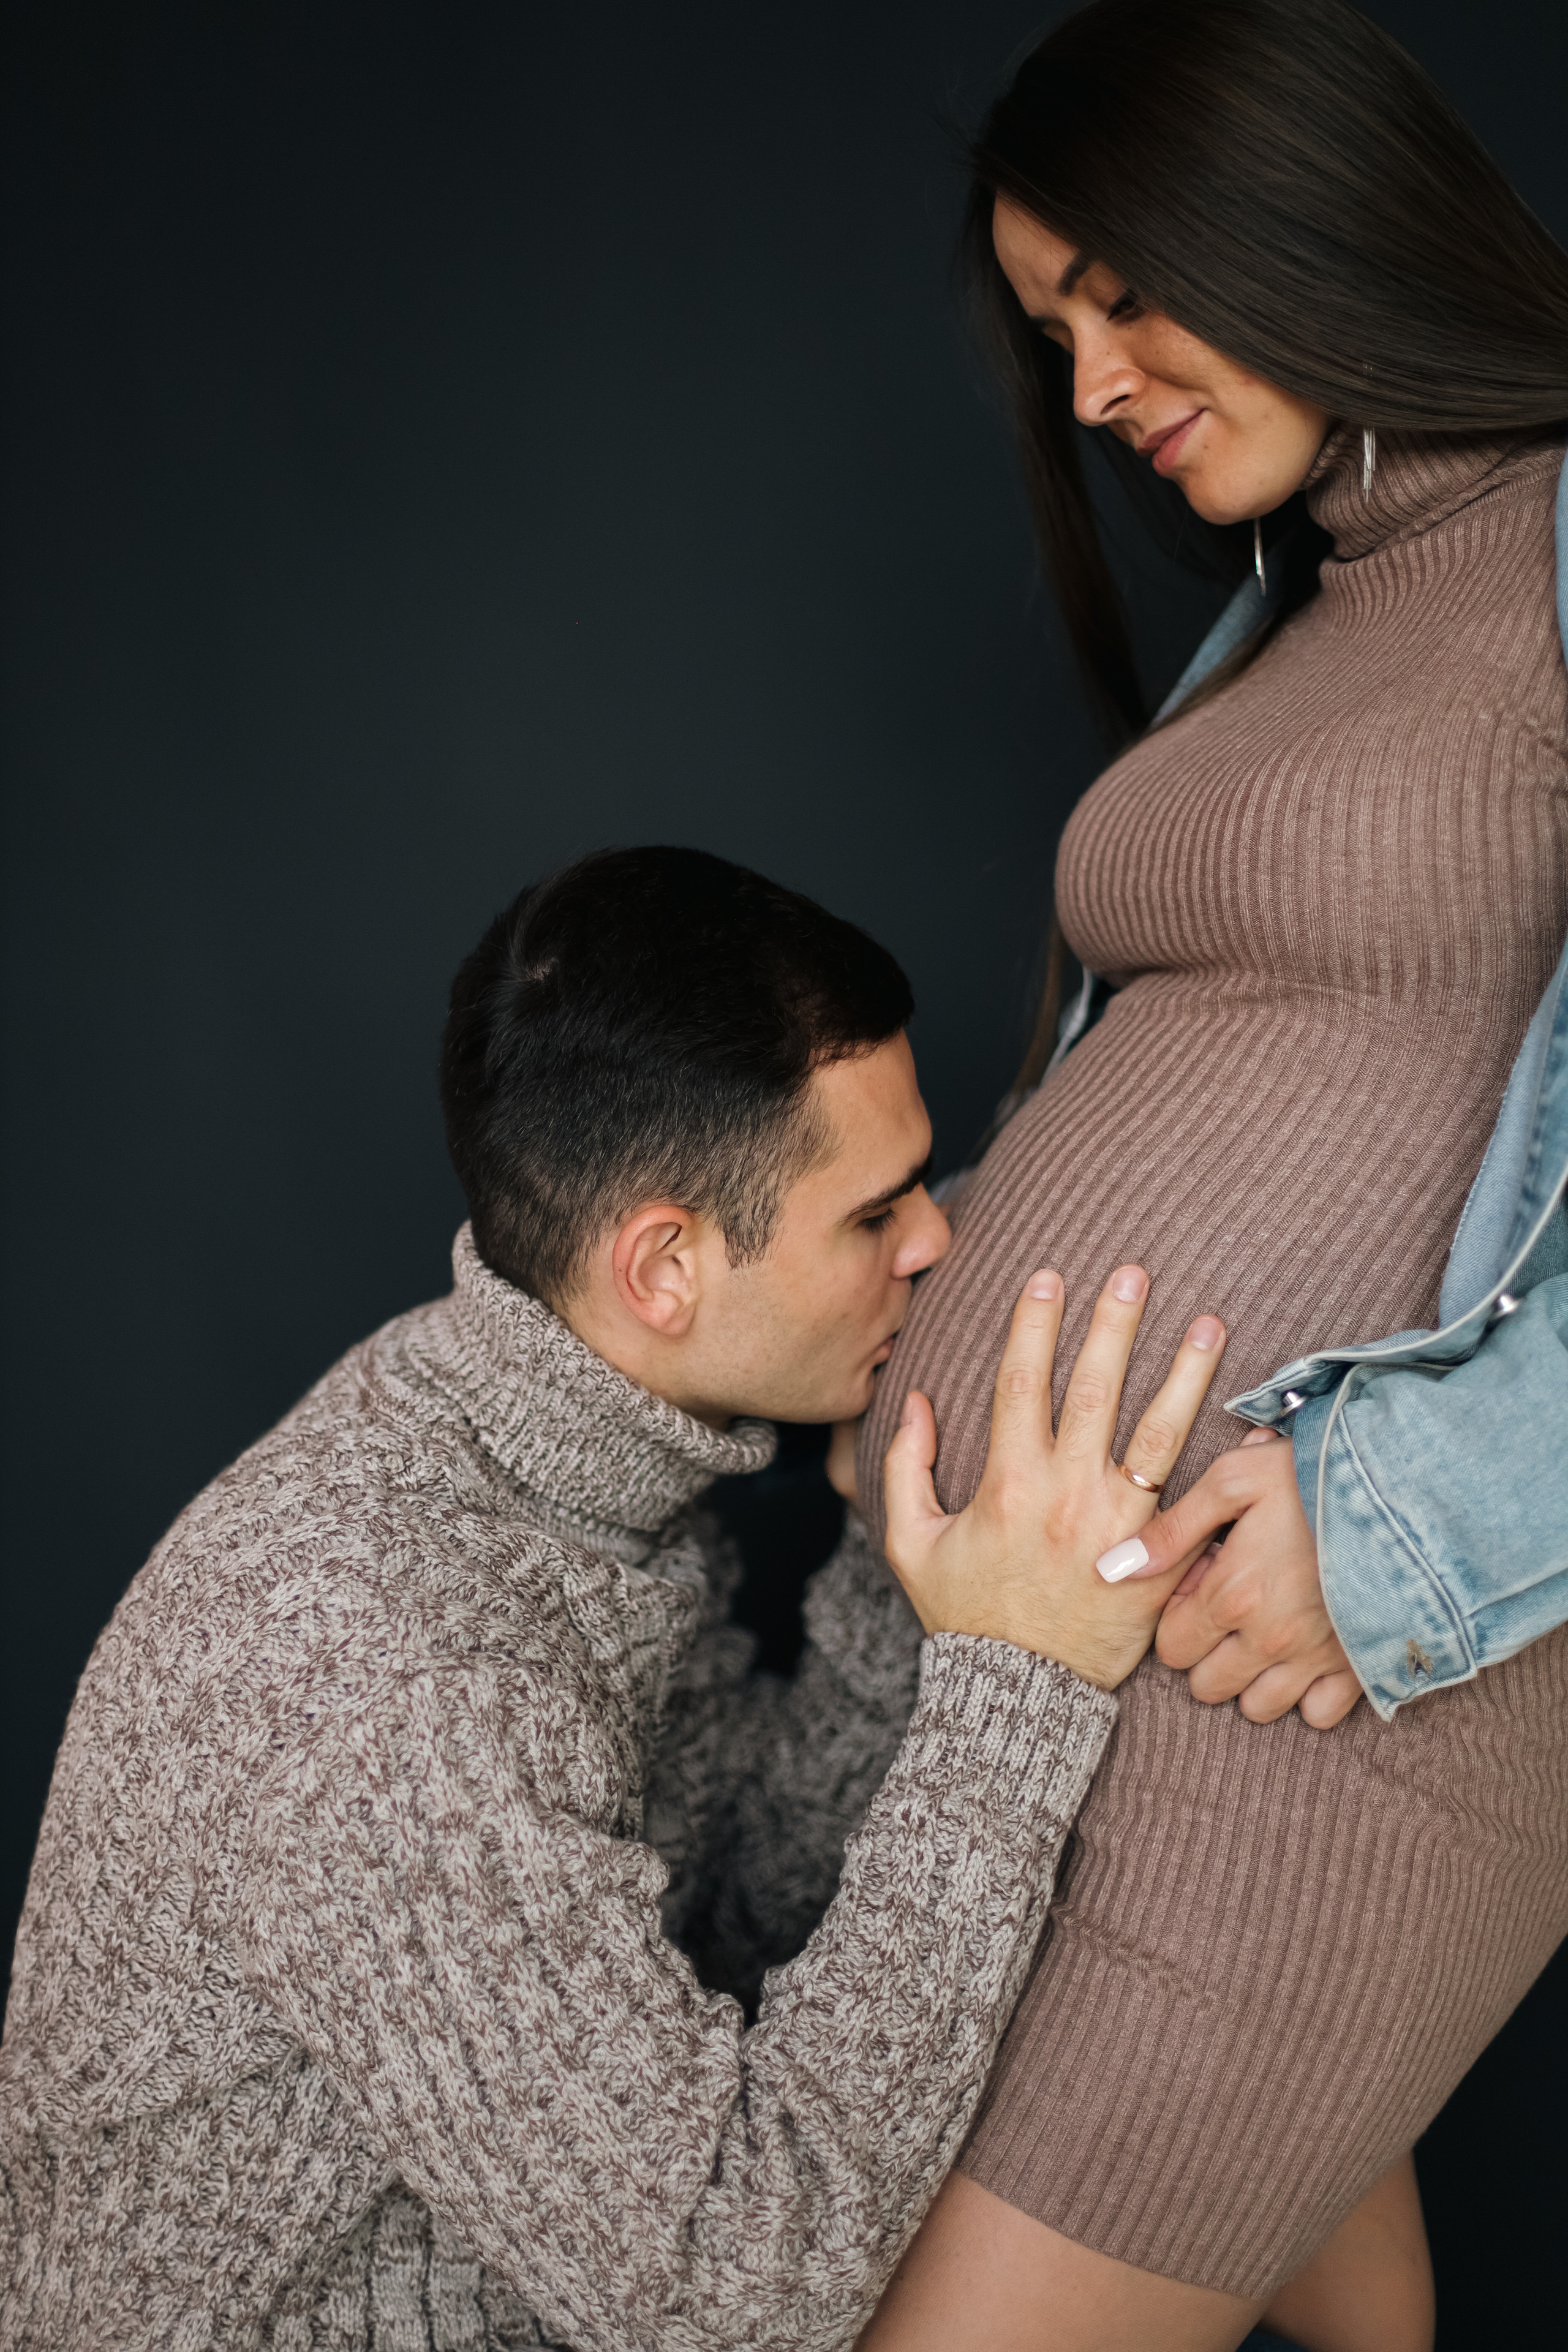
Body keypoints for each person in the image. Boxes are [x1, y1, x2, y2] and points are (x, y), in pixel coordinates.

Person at [0, 846, 1230, 2351]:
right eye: (873, 1215)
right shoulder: (385, 1681)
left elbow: (733, 1923)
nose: (934, 1244)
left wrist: (891, 1568)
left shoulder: (544, 1451)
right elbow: (734, 2300)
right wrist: (1014, 1685)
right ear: (664, 1268)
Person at [850, 4, 1568, 2348]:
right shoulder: (1322, 600)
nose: (1087, 389)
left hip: (1316, 1691)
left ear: (1302, 204)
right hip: (1048, 1673)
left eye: (1121, 295)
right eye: (1054, 328)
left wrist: (1406, 1523)